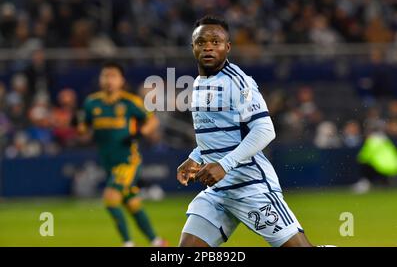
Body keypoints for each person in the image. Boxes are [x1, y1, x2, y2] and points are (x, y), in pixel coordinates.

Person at [177, 16, 315, 247]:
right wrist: (195, 157)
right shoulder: (200, 83)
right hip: (218, 191)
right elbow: (217, 132)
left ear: (227, 47)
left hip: (250, 186)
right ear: (193, 47)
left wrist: (224, 165)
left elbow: (264, 129)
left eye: (215, 42)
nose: (208, 46)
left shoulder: (239, 83)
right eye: (201, 42)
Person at [78, 61, 167, 247]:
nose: (108, 80)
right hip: (108, 162)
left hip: (128, 161)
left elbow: (153, 121)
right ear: (100, 79)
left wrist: (140, 134)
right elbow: (83, 130)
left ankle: (127, 243)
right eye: (105, 75)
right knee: (132, 204)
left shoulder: (130, 102)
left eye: (113, 76)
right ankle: (157, 242)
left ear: (121, 80)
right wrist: (76, 127)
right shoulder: (91, 103)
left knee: (110, 199)